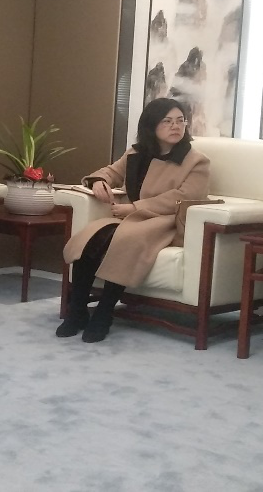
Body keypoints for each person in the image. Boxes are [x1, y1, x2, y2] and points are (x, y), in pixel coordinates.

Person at [55, 97, 210, 343]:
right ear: (151, 125)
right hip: (130, 218)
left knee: (125, 240)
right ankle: (78, 311)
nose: (176, 126)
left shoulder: (196, 160)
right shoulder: (136, 153)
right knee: (90, 240)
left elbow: (185, 197)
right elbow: (109, 172)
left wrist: (135, 207)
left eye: (180, 121)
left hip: (164, 220)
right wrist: (98, 182)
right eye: (167, 121)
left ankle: (104, 313)